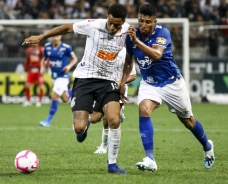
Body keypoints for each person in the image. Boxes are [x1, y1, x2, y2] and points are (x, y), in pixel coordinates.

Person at [23, 4, 129, 174]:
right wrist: (42, 36)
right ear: (107, 17)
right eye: (110, 22)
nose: (112, 27)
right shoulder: (93, 25)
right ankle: (85, 123)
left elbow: (132, 56)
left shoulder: (128, 32)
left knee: (114, 120)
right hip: (85, 78)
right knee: (79, 128)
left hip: (108, 81)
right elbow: (66, 28)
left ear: (123, 22)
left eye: (117, 25)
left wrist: (122, 82)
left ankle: (112, 164)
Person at [120, 3, 215, 172]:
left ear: (154, 22)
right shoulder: (131, 36)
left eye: (148, 22)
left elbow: (157, 55)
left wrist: (136, 41)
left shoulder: (162, 32)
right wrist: (121, 83)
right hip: (149, 82)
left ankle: (207, 145)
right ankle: (150, 158)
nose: (144, 25)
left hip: (171, 83)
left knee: (188, 120)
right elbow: (128, 62)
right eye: (141, 21)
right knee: (143, 109)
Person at [91, 47, 137, 154]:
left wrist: (121, 82)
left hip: (117, 90)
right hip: (103, 88)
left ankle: (103, 145)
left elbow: (133, 75)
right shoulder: (103, 49)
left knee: (107, 119)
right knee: (94, 119)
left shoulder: (127, 52)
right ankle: (118, 113)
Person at [39, 35, 78, 127]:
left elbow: (75, 59)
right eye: (53, 36)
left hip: (63, 76)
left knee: (54, 96)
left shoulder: (66, 48)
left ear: (60, 36)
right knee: (65, 98)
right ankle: (77, 90)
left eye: (57, 36)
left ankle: (48, 120)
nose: (55, 38)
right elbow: (44, 59)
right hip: (54, 77)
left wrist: (68, 66)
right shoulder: (47, 46)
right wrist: (42, 67)